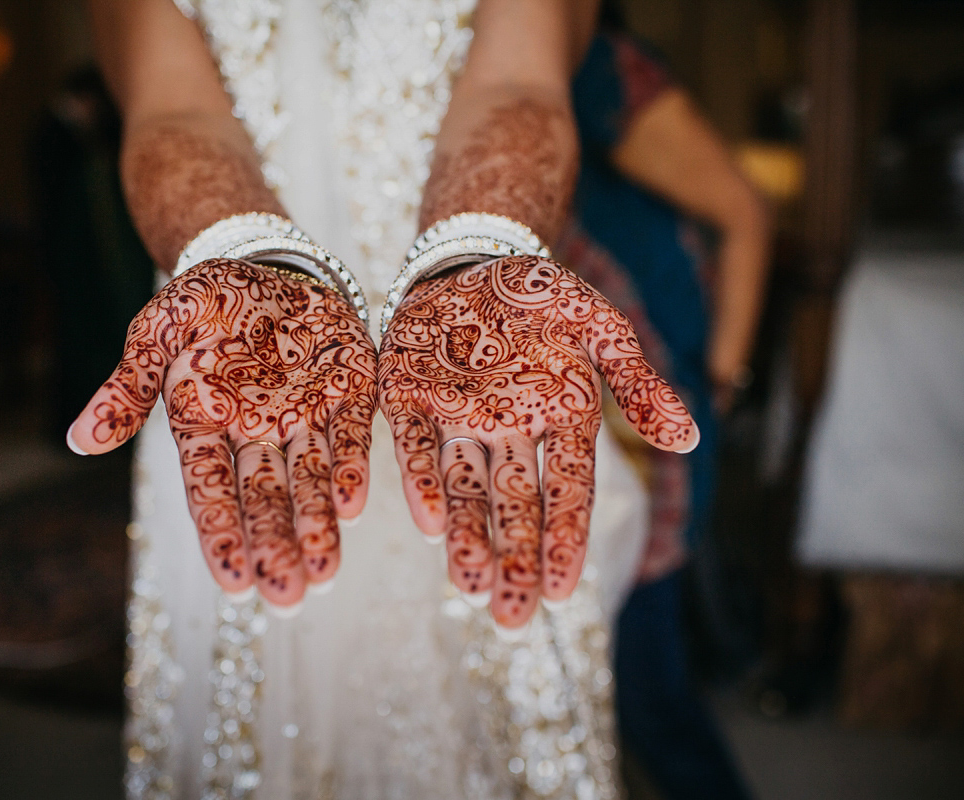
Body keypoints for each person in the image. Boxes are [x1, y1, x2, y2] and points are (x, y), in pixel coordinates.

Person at [69, 1, 697, 797]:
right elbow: (173, 104)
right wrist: (243, 253)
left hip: (481, 372)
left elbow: (515, 84)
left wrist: (475, 250)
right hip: (243, 380)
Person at [561, 21, 771, 800]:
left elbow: (745, 213)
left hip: (639, 421)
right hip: (565, 411)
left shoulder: (599, 70)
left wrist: (721, 380)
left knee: (646, 689)